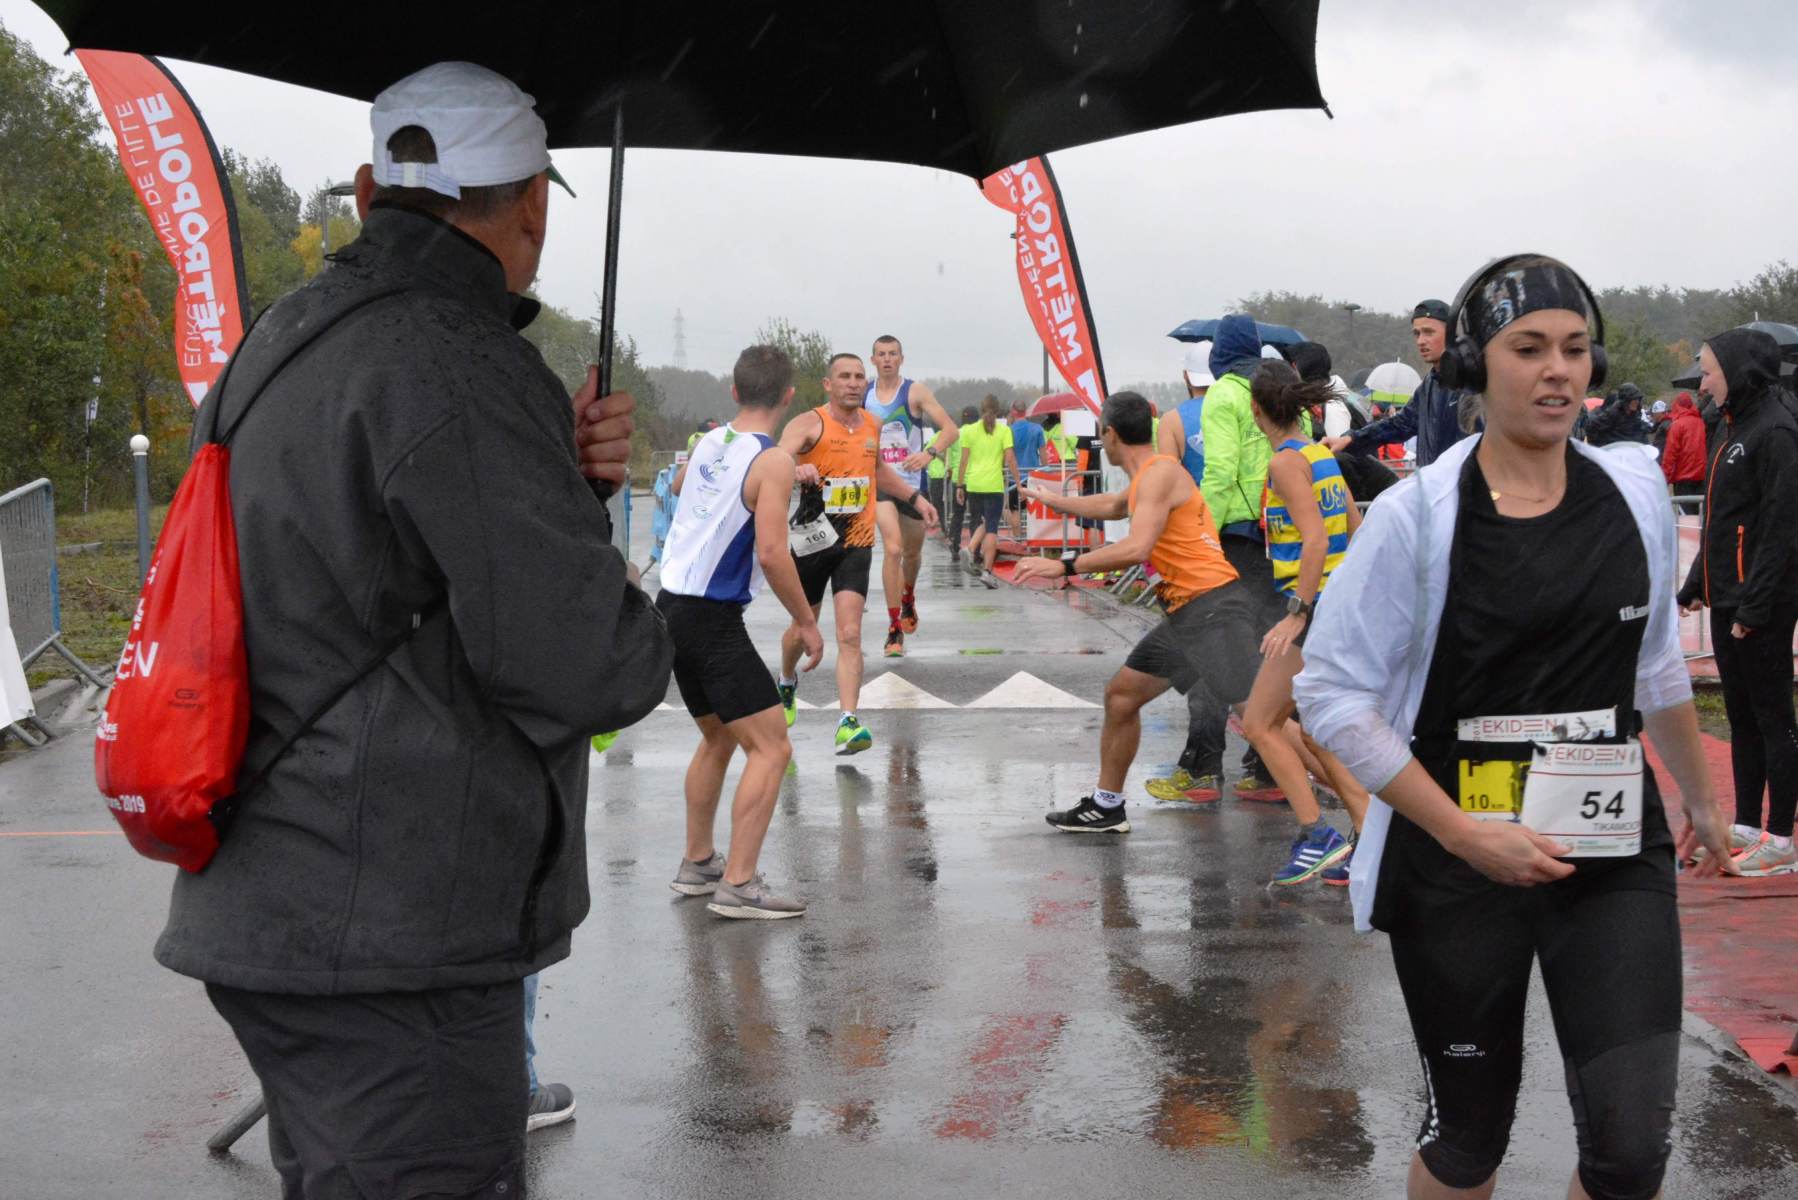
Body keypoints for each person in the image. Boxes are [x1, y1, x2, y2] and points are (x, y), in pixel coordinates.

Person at [160, 63, 674, 1193]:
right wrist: (612, 556)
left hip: (281, 892)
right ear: (532, 207)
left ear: (365, 192)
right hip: (392, 932)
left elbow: (372, 564)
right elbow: (592, 663)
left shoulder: (282, 336)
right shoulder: (463, 360)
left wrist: (556, 481)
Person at [1295, 253, 1735, 1200]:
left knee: (1630, 1154)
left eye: (1574, 349)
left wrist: (1702, 804)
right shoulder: (1416, 518)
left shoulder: (1634, 492)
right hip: (1458, 860)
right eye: (1528, 348)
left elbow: (1657, 663)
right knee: (1469, 1142)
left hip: (1611, 852)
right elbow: (1330, 694)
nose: (1557, 371)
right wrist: (1463, 834)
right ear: (1473, 366)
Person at [1016, 391, 1262, 832]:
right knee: (1122, 696)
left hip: (1212, 612)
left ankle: (1356, 811)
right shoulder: (1151, 473)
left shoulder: (1159, 473)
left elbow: (1137, 547)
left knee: (1266, 726)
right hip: (1189, 615)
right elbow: (1113, 506)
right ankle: (1106, 806)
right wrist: (1053, 501)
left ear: (1110, 434)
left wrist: (1065, 566)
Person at [661, 344, 825, 919]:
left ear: (734, 392)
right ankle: (739, 883)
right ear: (788, 396)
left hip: (670, 607)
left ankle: (697, 863)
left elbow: (680, 487)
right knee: (772, 747)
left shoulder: (710, 441)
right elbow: (773, 553)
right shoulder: (771, 459)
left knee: (719, 738)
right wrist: (806, 621)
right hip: (712, 618)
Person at [1237, 363, 1371, 885]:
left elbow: (1314, 539)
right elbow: (1355, 526)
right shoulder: (1319, 454)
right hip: (1334, 606)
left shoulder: (1285, 463)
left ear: (1256, 408)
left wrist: (1298, 612)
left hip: (1311, 609)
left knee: (1259, 723)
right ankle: (1370, 835)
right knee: (1315, 732)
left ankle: (1318, 835)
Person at [1678, 327, 1798, 876]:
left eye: (1709, 372)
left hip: (1761, 603)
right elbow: (1723, 520)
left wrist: (1755, 606)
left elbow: (1781, 530)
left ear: (1739, 372)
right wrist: (1696, 583)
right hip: (1728, 597)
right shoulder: (1730, 427)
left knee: (1773, 717)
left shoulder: (1776, 431)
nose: (1702, 384)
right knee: (1741, 715)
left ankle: (1781, 838)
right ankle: (1748, 824)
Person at [777, 353, 938, 753]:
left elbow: (878, 470)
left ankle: (848, 722)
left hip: (856, 541)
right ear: (828, 384)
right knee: (802, 626)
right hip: (814, 540)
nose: (853, 383)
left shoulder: (872, 424)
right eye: (844, 376)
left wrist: (915, 498)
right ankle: (786, 679)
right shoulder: (808, 423)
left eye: (858, 377)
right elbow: (775, 460)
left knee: (849, 633)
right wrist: (796, 470)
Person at [1196, 315, 1288, 799]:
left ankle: (1201, 767)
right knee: (1275, 653)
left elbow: (1220, 471)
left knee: (1220, 650)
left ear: (1221, 352)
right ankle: (1271, 768)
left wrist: (1201, 535)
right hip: (1283, 535)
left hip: (1238, 534)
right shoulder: (1280, 387)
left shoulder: (1225, 394)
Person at [1145, 341, 1230, 804]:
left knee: (1204, 663)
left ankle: (1200, 767)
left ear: (1185, 378)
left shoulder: (1174, 421)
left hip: (1198, 551)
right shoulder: (1245, 411)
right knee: (1251, 659)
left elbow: (1164, 488)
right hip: (1250, 543)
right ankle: (1263, 769)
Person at [866, 335, 958, 658]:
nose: (887, 359)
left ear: (901, 359)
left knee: (912, 554)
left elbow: (950, 429)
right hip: (881, 484)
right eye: (881, 354)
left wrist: (928, 454)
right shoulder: (864, 394)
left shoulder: (914, 392)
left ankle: (908, 596)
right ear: (873, 360)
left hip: (913, 484)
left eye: (892, 354)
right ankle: (894, 628)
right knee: (892, 550)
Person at [1325, 299, 1476, 468]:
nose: (1420, 341)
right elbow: (1399, 424)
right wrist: (1351, 439)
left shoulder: (1473, 384)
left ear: (1450, 332)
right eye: (1417, 334)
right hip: (1431, 481)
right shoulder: (1428, 385)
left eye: (1428, 332)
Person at [955, 394, 1020, 588]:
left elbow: (963, 461)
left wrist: (960, 485)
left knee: (984, 521)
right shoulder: (1004, 430)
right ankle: (987, 571)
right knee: (992, 527)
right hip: (993, 484)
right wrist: (1018, 483)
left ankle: (970, 548)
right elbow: (1010, 458)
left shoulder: (969, 431)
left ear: (981, 409)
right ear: (998, 411)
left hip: (974, 484)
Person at [1005, 397, 1046, 538]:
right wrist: (1046, 470)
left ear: (1013, 412)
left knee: (1015, 510)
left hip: (1014, 477)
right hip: (1033, 476)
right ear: (1026, 411)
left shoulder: (1008, 431)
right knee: (1033, 510)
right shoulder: (1037, 429)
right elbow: (1043, 453)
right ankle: (1034, 540)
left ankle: (1017, 539)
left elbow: (1006, 456)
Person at [944, 403, 982, 558]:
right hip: (975, 479)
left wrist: (950, 471)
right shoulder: (979, 434)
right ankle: (975, 549)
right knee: (976, 515)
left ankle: (955, 545)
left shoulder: (955, 434)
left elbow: (948, 460)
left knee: (957, 514)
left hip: (957, 480)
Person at [1660, 391, 1707, 502]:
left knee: (1685, 511)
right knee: (1700, 510)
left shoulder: (1677, 425)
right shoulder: (1702, 423)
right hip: (1703, 477)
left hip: (1683, 478)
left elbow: (1670, 455)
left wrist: (1665, 479)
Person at [1584, 382, 1650, 447]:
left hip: (1628, 447)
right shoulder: (1613, 413)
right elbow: (1592, 427)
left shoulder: (1636, 413)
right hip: (1612, 448)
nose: (1637, 402)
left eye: (1638, 399)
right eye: (1634, 399)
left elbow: (1637, 430)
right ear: (1627, 400)